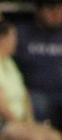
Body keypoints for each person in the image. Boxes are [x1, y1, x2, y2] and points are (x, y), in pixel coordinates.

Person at [15, 0, 62, 131]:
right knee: (37, 105)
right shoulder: (21, 33)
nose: (57, 14)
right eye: (52, 9)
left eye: (59, 9)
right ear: (39, 10)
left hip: (60, 92)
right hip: (34, 93)